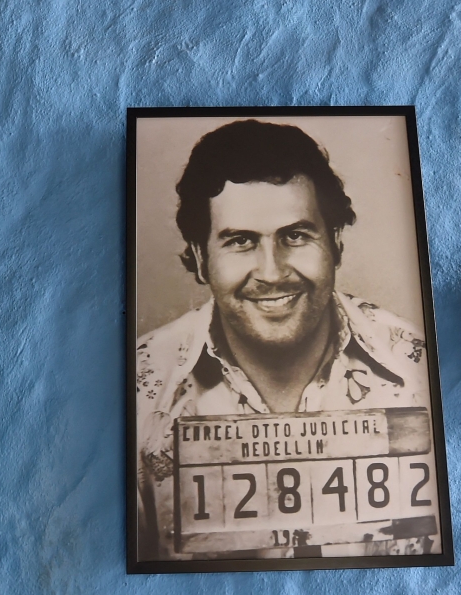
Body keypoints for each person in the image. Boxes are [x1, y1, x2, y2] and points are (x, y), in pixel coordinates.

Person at [136, 120, 433, 560]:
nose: (272, 273)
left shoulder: (421, 366)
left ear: (334, 243)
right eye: (240, 241)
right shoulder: (140, 389)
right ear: (200, 259)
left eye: (296, 236)